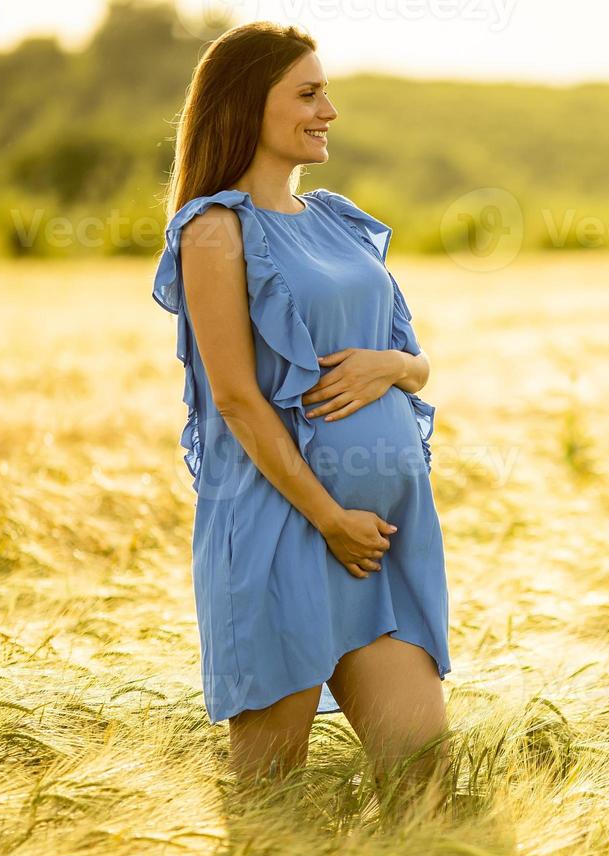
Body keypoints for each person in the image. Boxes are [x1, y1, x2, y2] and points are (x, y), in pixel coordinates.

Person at [151, 21, 451, 803]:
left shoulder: (337, 221)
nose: (330, 110)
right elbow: (238, 401)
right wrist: (328, 518)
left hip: (376, 549)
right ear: (251, 104)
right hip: (286, 533)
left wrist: (397, 366)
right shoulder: (214, 232)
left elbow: (411, 361)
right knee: (271, 802)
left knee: (426, 781)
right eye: (309, 93)